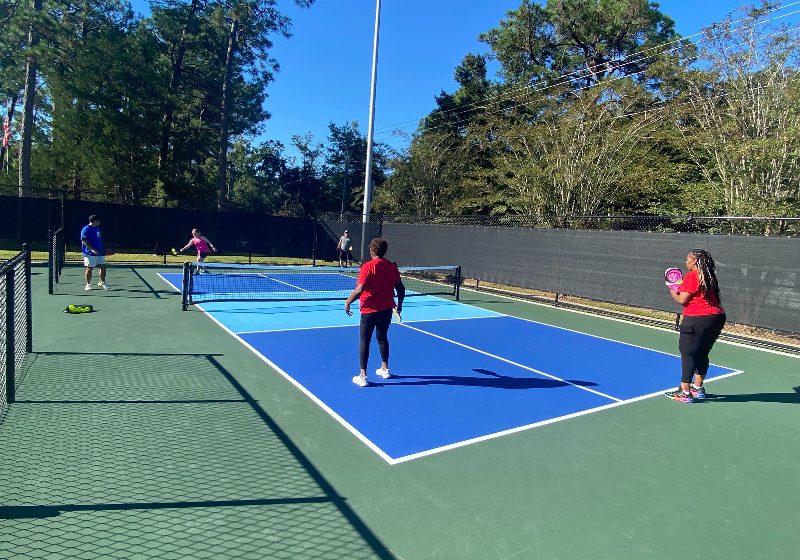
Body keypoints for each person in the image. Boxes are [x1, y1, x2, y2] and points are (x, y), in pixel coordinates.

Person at [666, 249, 726, 403]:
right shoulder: (710, 276)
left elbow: (682, 300)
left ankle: (685, 392)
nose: (686, 262)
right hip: (717, 317)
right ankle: (698, 389)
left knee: (688, 352)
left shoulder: (693, 275)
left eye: (688, 259)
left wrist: (672, 288)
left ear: (695, 261)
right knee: (702, 352)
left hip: (697, 318)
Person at [344, 238, 405, 387]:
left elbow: (360, 289)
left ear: (372, 250)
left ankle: (363, 376)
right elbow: (401, 288)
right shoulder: (392, 267)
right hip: (386, 310)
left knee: (365, 340)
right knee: (382, 338)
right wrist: (400, 305)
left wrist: (347, 302)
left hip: (369, 310)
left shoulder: (367, 267)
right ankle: (385, 369)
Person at [81, 215, 108, 291]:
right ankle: (88, 284)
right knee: (90, 268)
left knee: (103, 267)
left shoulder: (97, 229)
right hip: (89, 253)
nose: (99, 222)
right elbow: (84, 240)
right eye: (98, 221)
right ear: (95, 221)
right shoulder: (86, 229)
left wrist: (102, 250)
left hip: (100, 252)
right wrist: (92, 249)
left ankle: (102, 282)